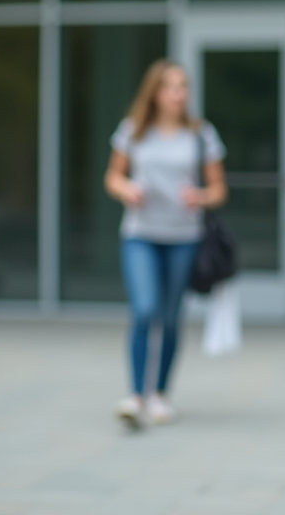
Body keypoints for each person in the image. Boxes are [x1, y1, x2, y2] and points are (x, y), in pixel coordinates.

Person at [104, 59, 227, 428]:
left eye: (183, 86)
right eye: (171, 87)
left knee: (170, 319)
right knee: (144, 310)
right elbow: (112, 176)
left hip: (183, 237)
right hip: (140, 234)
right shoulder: (133, 131)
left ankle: (159, 394)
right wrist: (126, 189)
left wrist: (200, 197)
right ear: (155, 93)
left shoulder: (201, 134)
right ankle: (135, 396)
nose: (178, 94)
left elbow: (218, 189)